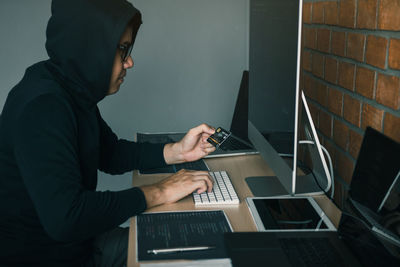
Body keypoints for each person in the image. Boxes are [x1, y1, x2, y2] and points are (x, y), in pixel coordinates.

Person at [0, 0, 215, 266]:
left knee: (199, 245)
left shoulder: (69, 86)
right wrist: (159, 192)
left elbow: (109, 153)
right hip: (51, 257)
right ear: (90, 48)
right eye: (122, 50)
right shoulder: (44, 106)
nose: (130, 62)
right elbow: (67, 219)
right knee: (194, 256)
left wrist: (177, 151)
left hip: (78, 244)